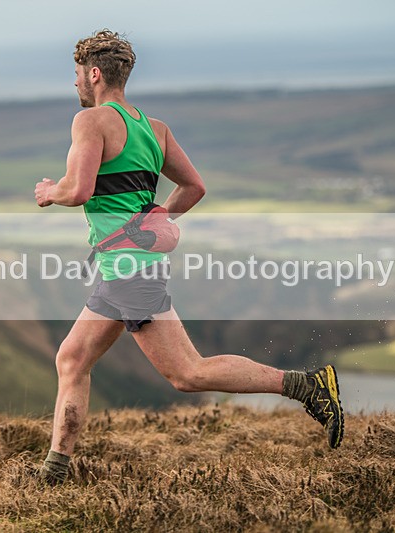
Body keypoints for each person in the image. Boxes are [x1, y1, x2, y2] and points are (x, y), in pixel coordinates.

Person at [34, 30, 343, 485]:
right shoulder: (153, 128)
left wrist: (49, 192)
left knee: (187, 374)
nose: (76, 84)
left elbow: (77, 189)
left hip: (129, 269)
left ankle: (305, 385)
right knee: (72, 359)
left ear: (93, 74)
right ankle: (54, 472)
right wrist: (154, 218)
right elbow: (194, 187)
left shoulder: (91, 122)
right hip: (123, 265)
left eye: (77, 75)